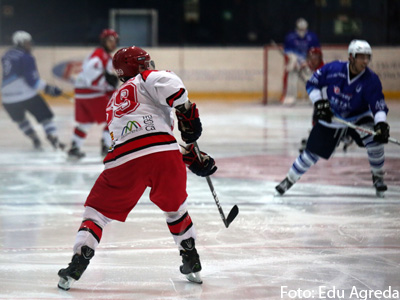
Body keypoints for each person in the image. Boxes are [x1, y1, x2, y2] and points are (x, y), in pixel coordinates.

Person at [57, 46, 217, 290]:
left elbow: (139, 143)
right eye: (144, 63)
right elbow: (171, 88)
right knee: (176, 210)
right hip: (165, 155)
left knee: (96, 213)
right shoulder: (146, 78)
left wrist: (188, 154)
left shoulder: (112, 103)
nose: (149, 66)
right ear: (139, 67)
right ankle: (191, 258)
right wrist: (186, 114)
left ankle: (79, 260)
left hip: (124, 160)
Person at [275, 40, 390, 198]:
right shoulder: (333, 69)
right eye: (361, 57)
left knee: (375, 142)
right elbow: (312, 84)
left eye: (367, 57)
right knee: (311, 153)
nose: (365, 61)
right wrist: (320, 103)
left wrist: (381, 125)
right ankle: (289, 179)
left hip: (358, 118)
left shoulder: (371, 80)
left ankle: (378, 176)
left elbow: (378, 106)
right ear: (351, 57)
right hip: (334, 115)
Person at [1, 30, 64, 150]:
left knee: (20, 120)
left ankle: (33, 137)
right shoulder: (26, 57)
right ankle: (52, 136)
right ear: (19, 43)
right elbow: (33, 82)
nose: (29, 45)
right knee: (46, 117)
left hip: (7, 98)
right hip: (26, 95)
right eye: (26, 42)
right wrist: (49, 89)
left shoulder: (7, 54)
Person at [67, 29, 120, 160]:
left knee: (86, 123)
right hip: (91, 93)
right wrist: (108, 83)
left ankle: (74, 149)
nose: (112, 44)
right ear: (103, 42)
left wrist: (110, 86)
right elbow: (92, 77)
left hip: (82, 93)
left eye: (114, 41)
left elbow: (92, 76)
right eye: (109, 41)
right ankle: (106, 147)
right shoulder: (100, 55)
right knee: (113, 117)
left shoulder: (100, 54)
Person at [281, 18, 320, 105]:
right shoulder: (290, 37)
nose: (302, 31)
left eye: (303, 29)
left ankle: (314, 98)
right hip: (294, 63)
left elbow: (315, 53)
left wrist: (307, 62)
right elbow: (287, 52)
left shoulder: (312, 37)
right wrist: (293, 62)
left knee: (311, 79)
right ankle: (290, 97)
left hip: (307, 62)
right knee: (292, 78)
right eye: (300, 29)